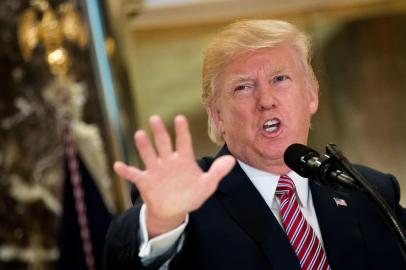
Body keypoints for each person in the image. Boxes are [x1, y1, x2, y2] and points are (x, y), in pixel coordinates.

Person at [103, 20, 406, 270]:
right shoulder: (190, 198)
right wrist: (161, 222)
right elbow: (125, 260)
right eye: (243, 87)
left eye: (280, 78)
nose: (266, 100)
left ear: (312, 94)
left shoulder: (369, 192)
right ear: (217, 115)